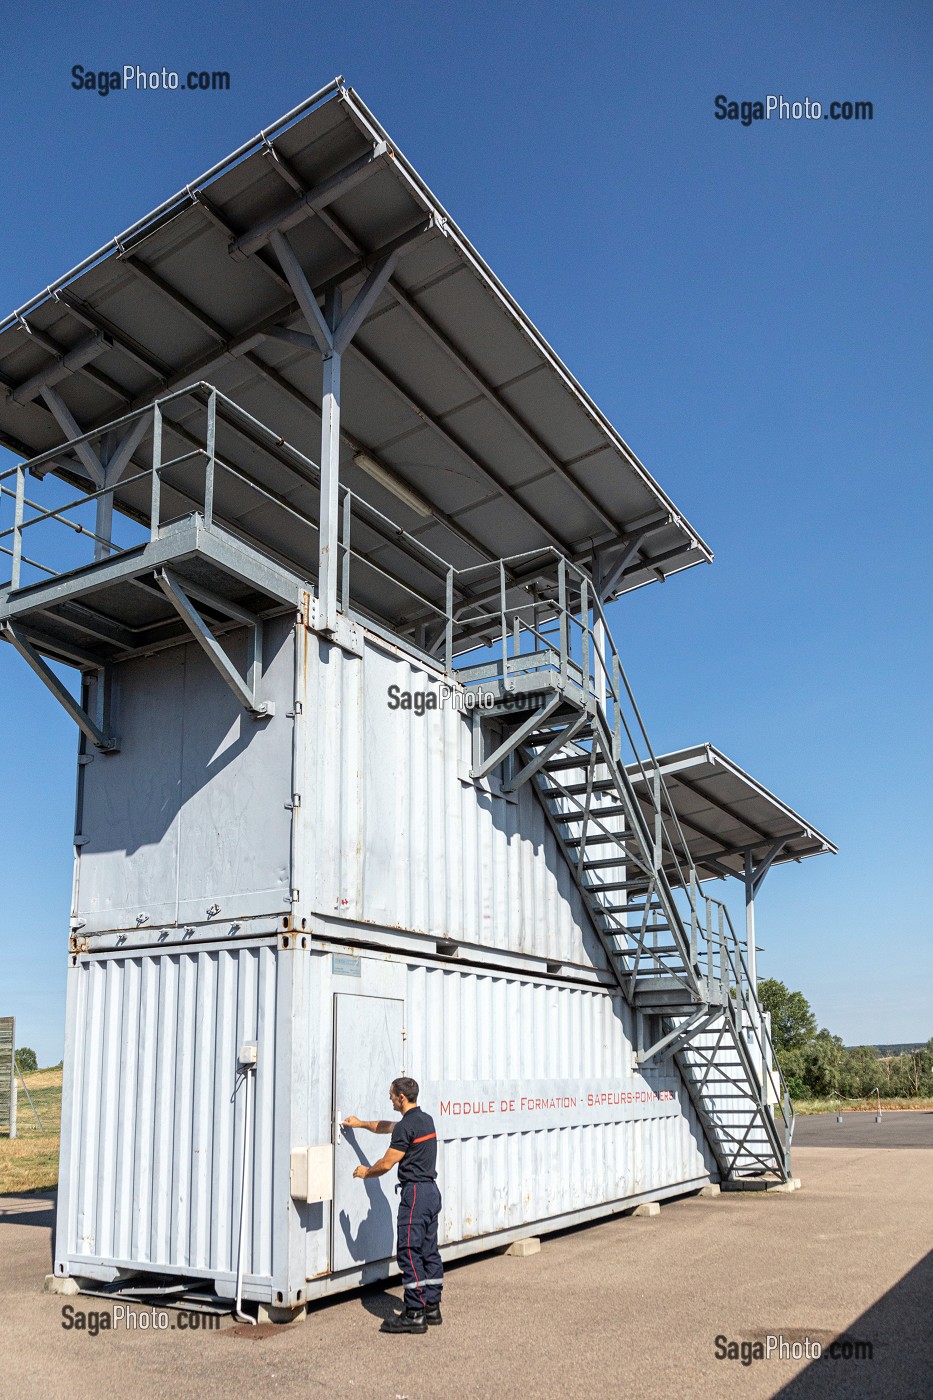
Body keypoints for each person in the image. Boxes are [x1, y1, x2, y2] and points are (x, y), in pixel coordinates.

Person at [342, 1076, 443, 1334]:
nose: (389, 1098)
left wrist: (366, 1172)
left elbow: (386, 1164)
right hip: (431, 1192)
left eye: (391, 1095)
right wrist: (361, 1124)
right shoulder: (424, 1120)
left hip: (416, 1196)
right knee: (428, 1250)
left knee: (408, 1251)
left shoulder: (405, 1128)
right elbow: (386, 1126)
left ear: (401, 1097)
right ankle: (431, 1307)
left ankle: (414, 1314)